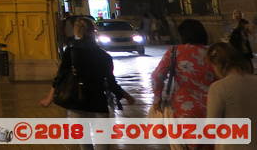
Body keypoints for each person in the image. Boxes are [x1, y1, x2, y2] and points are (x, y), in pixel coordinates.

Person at [40, 17, 135, 150]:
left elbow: (60, 76)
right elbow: (111, 82)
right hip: (98, 101)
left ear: (76, 32)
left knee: (84, 141)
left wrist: (49, 98)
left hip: (77, 101)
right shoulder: (104, 56)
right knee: (103, 141)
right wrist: (126, 96)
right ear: (94, 32)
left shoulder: (71, 52)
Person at [151, 19, 217, 122]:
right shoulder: (213, 53)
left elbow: (157, 76)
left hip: (183, 108)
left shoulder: (174, 51)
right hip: (212, 107)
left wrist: (157, 98)